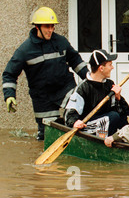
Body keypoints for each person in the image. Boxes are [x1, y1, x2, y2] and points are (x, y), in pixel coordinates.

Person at [2, 7, 88, 140]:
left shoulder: (61, 42)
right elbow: (9, 74)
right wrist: (9, 96)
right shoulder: (25, 50)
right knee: (47, 135)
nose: (51, 30)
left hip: (65, 88)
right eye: (47, 26)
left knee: (80, 113)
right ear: (37, 27)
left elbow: (76, 61)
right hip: (42, 97)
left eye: (52, 26)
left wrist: (89, 79)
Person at [64, 49, 129, 137]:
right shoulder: (82, 88)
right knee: (113, 116)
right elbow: (69, 114)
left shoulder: (109, 84)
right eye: (110, 65)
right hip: (87, 128)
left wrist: (119, 98)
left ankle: (122, 141)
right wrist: (75, 122)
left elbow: (125, 112)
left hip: (105, 123)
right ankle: (103, 143)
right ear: (101, 68)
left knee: (121, 118)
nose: (112, 67)